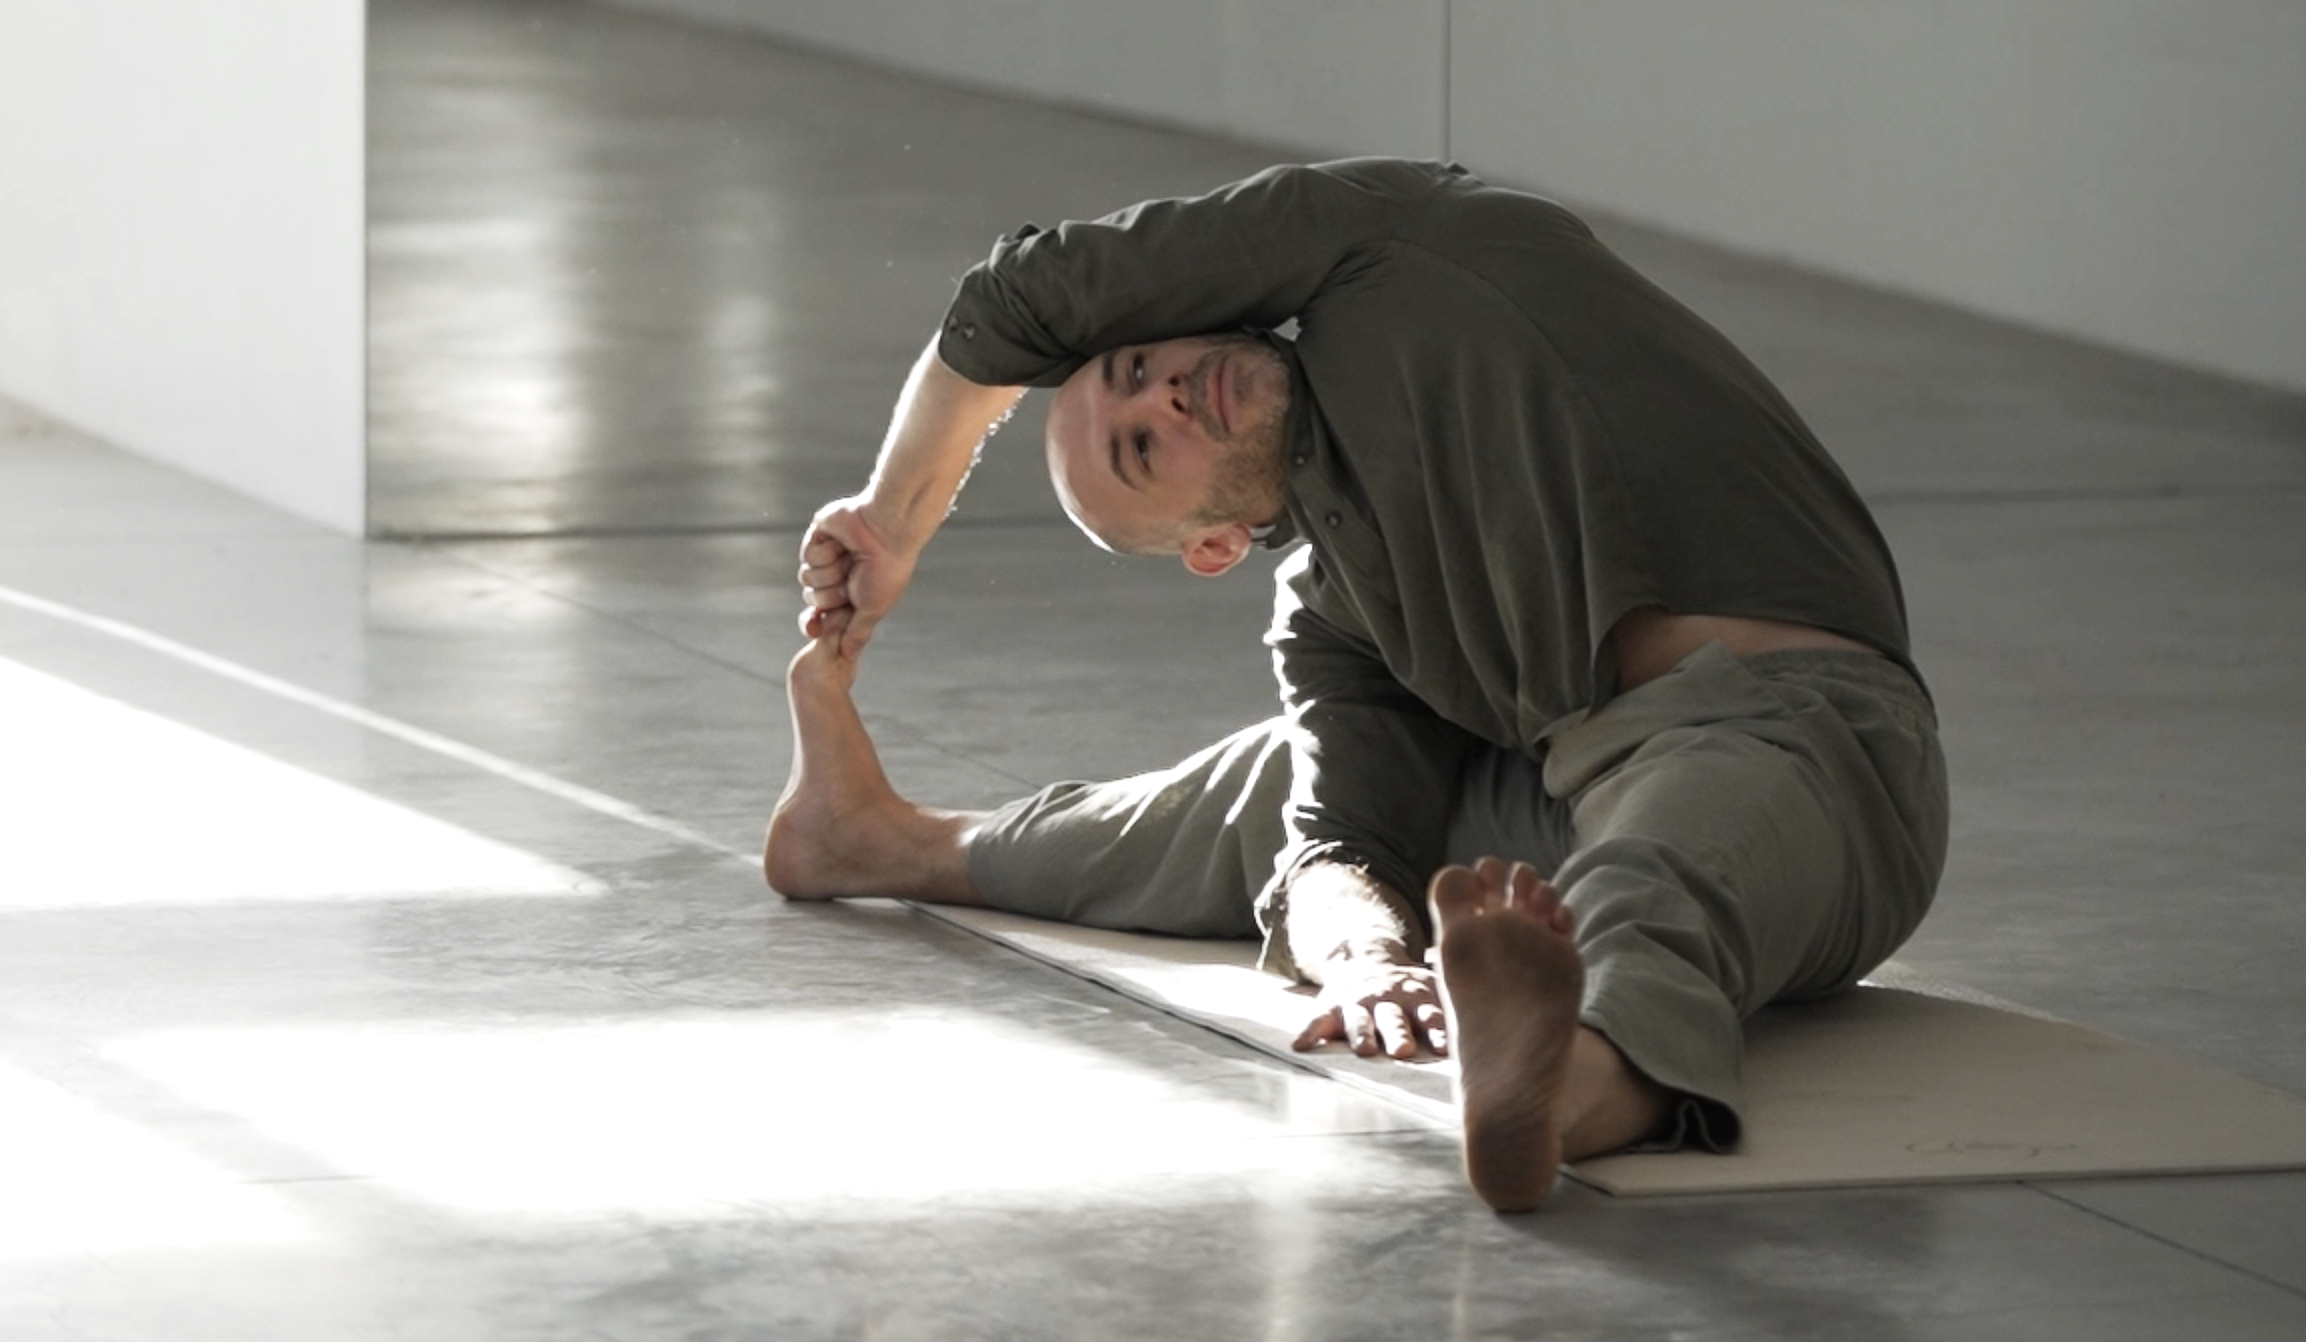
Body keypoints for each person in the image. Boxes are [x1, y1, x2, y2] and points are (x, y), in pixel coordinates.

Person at [764, 158, 1947, 1211]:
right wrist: (1365, 962)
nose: (1163, 395)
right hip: (1571, 789)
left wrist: (890, 517)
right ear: (1210, 547)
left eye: (1140, 364)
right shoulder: (1330, 605)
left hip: (1813, 745)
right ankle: (880, 841)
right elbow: (1335, 844)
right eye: (1139, 446)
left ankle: (1563, 1088)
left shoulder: (1398, 247)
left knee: (1657, 855)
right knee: (1261, 788)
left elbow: (1017, 297)